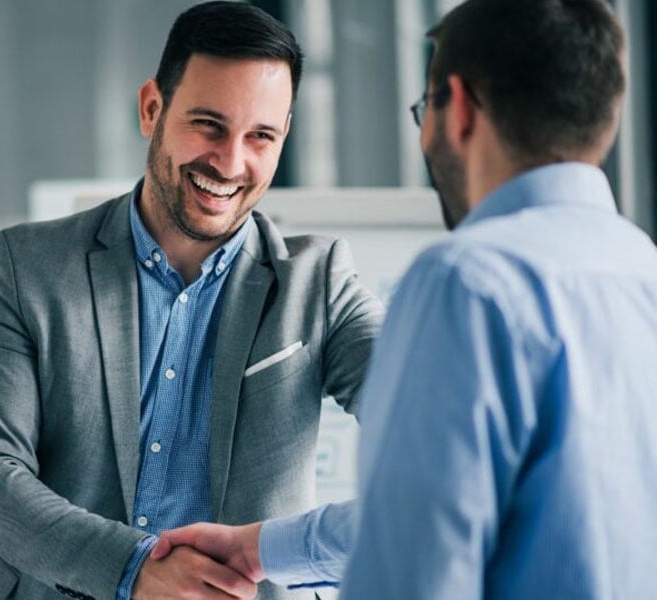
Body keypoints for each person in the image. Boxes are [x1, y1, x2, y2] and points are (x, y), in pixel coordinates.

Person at [153, 0, 657, 598]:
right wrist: (260, 548)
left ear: (460, 109)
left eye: (425, 108)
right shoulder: (640, 267)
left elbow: (414, 564)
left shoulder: (467, 281)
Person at [0, 2, 384, 599]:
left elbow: (438, 434)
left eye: (261, 136)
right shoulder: (29, 267)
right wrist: (133, 568)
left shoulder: (319, 283)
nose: (230, 162)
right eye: (208, 125)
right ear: (153, 108)